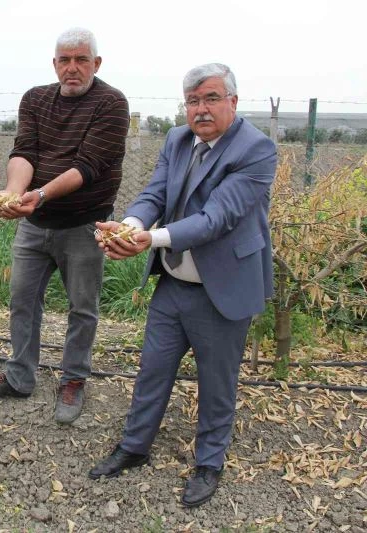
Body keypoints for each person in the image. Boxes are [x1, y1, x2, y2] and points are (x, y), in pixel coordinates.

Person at [89, 63, 276, 507]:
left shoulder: (257, 150)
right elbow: (155, 192)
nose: (201, 109)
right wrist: (130, 224)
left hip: (222, 290)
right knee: (152, 370)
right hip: (174, 283)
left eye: (211, 98)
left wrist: (147, 239)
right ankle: (134, 447)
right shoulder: (176, 139)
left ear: (233, 100)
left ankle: (209, 463)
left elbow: (217, 218)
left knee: (217, 384)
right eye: (193, 100)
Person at [0, 27, 129, 424]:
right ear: (54, 63)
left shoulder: (111, 103)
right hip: (35, 225)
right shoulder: (36, 99)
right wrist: (13, 193)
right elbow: (25, 151)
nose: (72, 68)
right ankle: (20, 376)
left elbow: (89, 166)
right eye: (64, 60)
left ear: (97, 63)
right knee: (23, 300)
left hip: (83, 225)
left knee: (83, 307)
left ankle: (73, 380)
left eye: (81, 60)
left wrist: (38, 196)